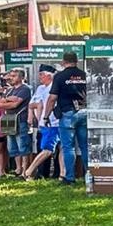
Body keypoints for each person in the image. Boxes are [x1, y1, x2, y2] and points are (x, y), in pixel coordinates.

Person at [45, 50, 87, 184]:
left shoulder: (60, 76)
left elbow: (52, 98)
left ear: (64, 62)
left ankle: (69, 178)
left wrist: (46, 116)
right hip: (84, 112)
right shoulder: (84, 75)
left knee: (68, 147)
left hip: (67, 113)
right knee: (85, 146)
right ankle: (89, 176)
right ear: (76, 61)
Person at [0, 68, 34, 174]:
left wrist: (7, 101)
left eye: (14, 76)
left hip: (21, 119)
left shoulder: (25, 89)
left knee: (23, 145)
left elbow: (16, 104)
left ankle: (25, 170)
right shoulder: (9, 90)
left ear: (22, 77)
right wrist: (8, 100)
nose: (11, 78)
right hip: (8, 119)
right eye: (11, 75)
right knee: (12, 147)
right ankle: (18, 169)